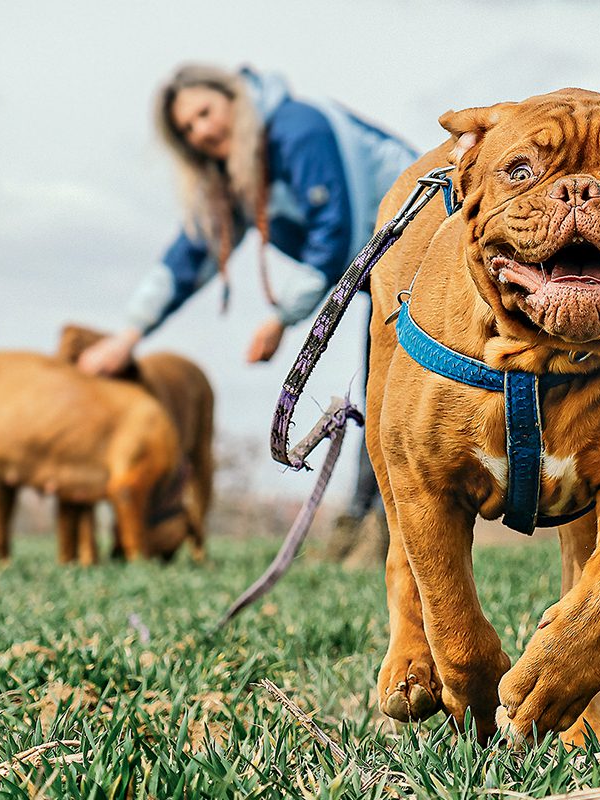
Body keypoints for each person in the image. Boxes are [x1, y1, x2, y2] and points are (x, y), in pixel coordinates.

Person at [79, 63, 416, 559]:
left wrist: (283, 318)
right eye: (187, 129)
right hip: (384, 277)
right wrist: (130, 333)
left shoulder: (299, 129)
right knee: (379, 389)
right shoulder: (239, 174)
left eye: (204, 113)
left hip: (427, 254)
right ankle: (364, 528)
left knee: (389, 392)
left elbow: (336, 231)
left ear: (234, 99)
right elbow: (192, 254)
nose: (200, 131)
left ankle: (378, 531)